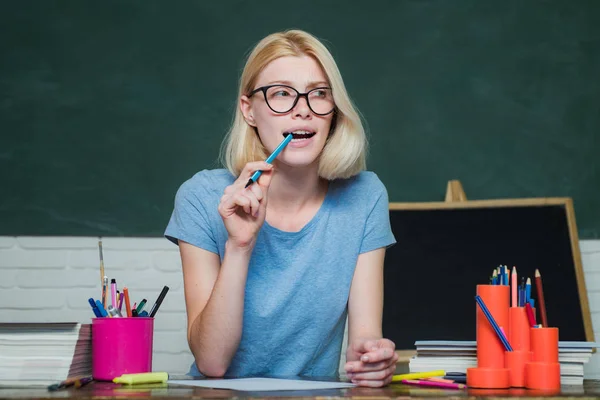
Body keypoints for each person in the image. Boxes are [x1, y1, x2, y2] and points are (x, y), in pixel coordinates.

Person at [165, 29, 398, 387]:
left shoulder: (364, 197)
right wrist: (240, 247)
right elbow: (211, 362)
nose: (302, 109)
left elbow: (363, 344)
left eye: (319, 94)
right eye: (281, 94)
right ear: (250, 111)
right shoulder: (201, 196)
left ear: (333, 112)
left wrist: (371, 360)